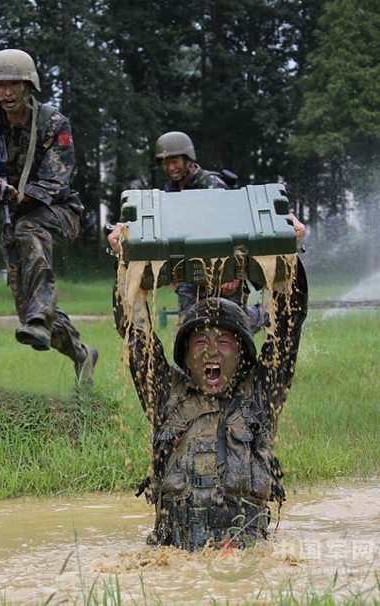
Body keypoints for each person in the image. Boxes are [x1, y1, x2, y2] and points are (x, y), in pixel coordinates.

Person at [108, 218, 307, 551]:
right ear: (185, 355)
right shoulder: (165, 394)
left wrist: (289, 256)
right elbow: (136, 331)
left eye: (224, 342)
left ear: (243, 354)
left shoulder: (260, 394)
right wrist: (124, 261)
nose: (211, 350)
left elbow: (289, 324)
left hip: (245, 554)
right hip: (173, 554)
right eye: (200, 341)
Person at [0, 48, 98, 390]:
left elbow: (58, 178)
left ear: (29, 86)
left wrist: (18, 193)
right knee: (26, 313)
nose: (6, 93)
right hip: (15, 220)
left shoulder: (53, 122)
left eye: (14, 85)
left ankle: (42, 316)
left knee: (31, 228)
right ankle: (82, 353)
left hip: (60, 213)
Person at [154, 131, 266, 332]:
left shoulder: (211, 185)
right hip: (190, 272)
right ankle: (191, 364)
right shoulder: (170, 190)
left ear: (188, 159)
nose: (171, 167)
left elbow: (238, 228)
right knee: (190, 326)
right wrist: (173, 273)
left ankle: (265, 316)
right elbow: (173, 232)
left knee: (235, 326)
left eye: (175, 161)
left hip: (224, 270)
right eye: (165, 162)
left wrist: (235, 272)